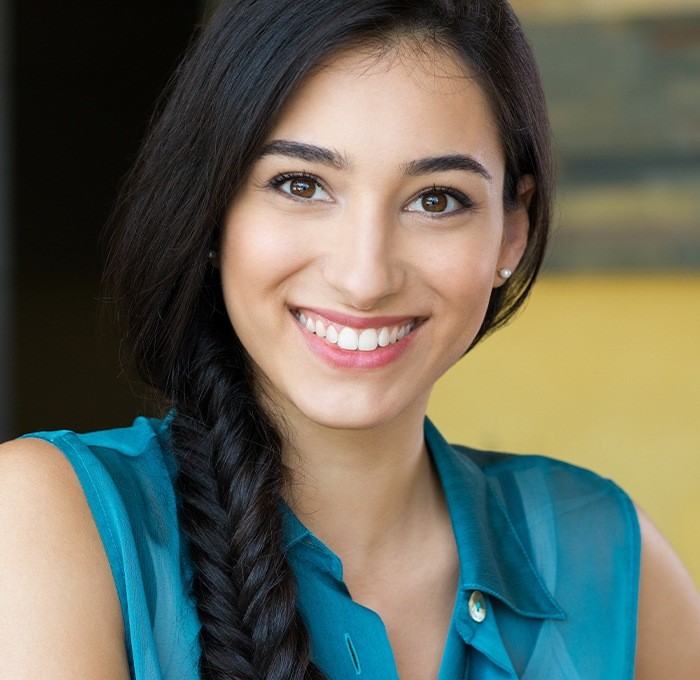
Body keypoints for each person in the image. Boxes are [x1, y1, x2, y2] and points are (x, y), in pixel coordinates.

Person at [1, 0, 699, 678]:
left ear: (510, 231)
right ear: (212, 209)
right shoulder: (50, 520)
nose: (365, 277)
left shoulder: (602, 551)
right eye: (301, 184)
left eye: (436, 199)